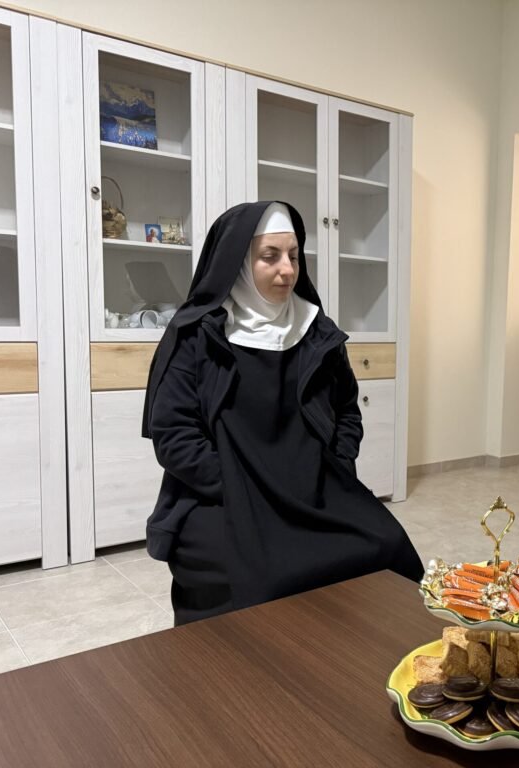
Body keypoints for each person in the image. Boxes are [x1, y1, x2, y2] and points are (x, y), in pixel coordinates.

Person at [142, 201, 423, 625]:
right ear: (238, 263)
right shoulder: (196, 335)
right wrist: (235, 484)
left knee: (386, 544)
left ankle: (367, 653)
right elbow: (174, 435)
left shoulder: (317, 331)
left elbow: (347, 410)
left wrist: (335, 466)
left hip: (312, 485)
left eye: (293, 255)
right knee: (265, 579)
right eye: (270, 256)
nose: (287, 270)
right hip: (227, 493)